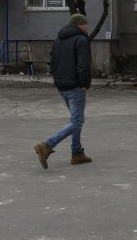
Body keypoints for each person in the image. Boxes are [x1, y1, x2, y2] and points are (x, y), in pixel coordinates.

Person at [34, 13, 93, 168]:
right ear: (80, 25)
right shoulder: (81, 40)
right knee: (77, 120)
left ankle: (77, 153)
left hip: (62, 86)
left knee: (77, 119)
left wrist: (58, 80)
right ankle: (47, 145)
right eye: (86, 24)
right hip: (75, 86)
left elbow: (52, 63)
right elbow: (83, 66)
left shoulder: (58, 40)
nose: (87, 27)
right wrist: (84, 83)